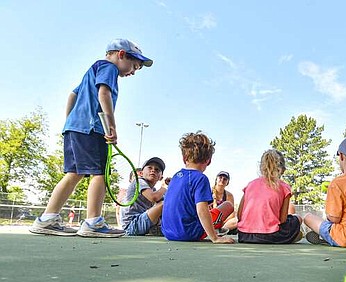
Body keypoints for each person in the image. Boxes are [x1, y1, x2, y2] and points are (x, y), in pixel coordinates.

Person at [29, 38, 152, 237]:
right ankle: (93, 222)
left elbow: (72, 95)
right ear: (121, 55)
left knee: (74, 173)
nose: (133, 71)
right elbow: (104, 93)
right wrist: (111, 126)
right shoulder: (109, 68)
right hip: (92, 129)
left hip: (74, 129)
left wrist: (71, 121)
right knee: (100, 174)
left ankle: (47, 219)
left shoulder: (92, 69)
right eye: (134, 66)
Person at [161, 131, 235, 244]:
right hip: (189, 233)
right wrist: (214, 238)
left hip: (168, 232)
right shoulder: (201, 178)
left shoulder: (176, 176)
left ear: (184, 158)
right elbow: (202, 210)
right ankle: (213, 231)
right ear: (208, 161)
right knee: (228, 206)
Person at [237, 149, 303, 244]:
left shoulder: (250, 185)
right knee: (297, 218)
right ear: (283, 170)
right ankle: (291, 236)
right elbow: (282, 220)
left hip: (244, 235)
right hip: (270, 235)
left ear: (261, 167)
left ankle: (291, 236)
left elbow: (239, 215)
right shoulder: (284, 187)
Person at [121, 157, 170, 236]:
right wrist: (164, 186)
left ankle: (158, 227)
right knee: (164, 204)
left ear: (161, 177)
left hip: (142, 221)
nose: (153, 170)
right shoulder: (138, 181)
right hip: (131, 225)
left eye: (157, 170)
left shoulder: (154, 190)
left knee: (169, 205)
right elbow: (154, 198)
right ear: (141, 173)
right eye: (149, 168)